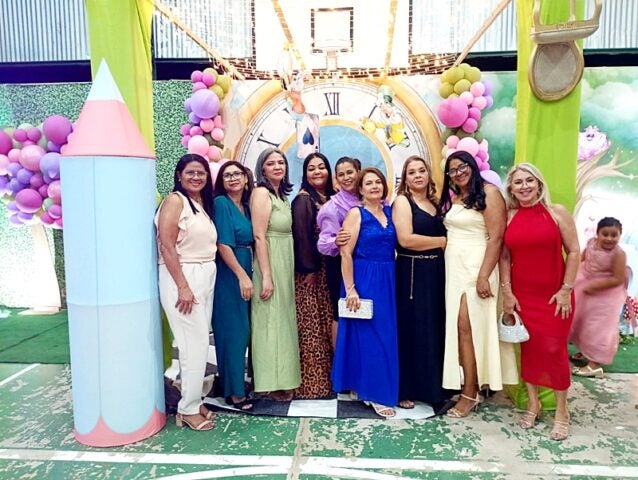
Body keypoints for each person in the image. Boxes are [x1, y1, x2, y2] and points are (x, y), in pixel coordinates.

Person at [499, 163, 580, 441]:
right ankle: (533, 403)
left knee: (554, 350)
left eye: (529, 180)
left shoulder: (557, 213)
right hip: (523, 297)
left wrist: (566, 290)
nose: (524, 186)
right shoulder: (509, 217)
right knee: (529, 350)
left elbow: (574, 251)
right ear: (511, 189)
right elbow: (505, 257)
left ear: (539, 184)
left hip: (556, 297)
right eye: (518, 182)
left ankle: (562, 411)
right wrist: (507, 292)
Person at [437, 151, 515, 419]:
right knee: (460, 330)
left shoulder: (490, 193)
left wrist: (484, 275)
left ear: (473, 166)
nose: (459, 173)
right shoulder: (456, 197)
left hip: (477, 267)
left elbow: (496, 238)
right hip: (454, 269)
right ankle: (468, 384)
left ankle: (470, 393)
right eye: (453, 170)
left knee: (467, 327)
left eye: (463, 167)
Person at [155, 153, 217, 431]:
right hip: (183, 276)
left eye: (201, 172)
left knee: (200, 344)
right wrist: (182, 286)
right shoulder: (175, 201)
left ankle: (194, 399)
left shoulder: (200, 205)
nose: (196, 177)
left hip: (204, 275)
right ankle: (188, 409)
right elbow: (166, 245)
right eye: (190, 172)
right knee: (193, 345)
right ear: (179, 175)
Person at [331, 167, 399, 418]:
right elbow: (345, 253)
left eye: (378, 182)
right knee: (370, 335)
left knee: (385, 334)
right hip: (363, 277)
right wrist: (350, 289)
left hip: (388, 278)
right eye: (368, 183)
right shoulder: (356, 214)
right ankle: (373, 393)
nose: (374, 186)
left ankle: (364, 384)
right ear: (360, 189)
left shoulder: (390, 212)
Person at [392, 156, 449, 410]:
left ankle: (433, 388)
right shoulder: (403, 202)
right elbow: (405, 239)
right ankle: (407, 388)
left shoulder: (436, 202)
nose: (417, 175)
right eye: (412, 172)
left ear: (428, 174)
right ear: (405, 178)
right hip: (412, 273)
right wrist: (442, 242)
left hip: (436, 271)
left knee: (433, 328)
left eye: (422, 170)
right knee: (412, 329)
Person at [250, 147, 301, 401]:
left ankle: (284, 378)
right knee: (270, 321)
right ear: (262, 168)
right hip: (270, 260)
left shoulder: (280, 195)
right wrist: (267, 275)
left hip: (285, 258)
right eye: (271, 163)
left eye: (281, 162)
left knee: (283, 320)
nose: (278, 167)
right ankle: (270, 382)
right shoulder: (261, 193)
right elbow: (259, 236)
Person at [292, 152, 336, 398]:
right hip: (311, 273)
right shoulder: (303, 200)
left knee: (327, 324)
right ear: (305, 174)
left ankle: (333, 378)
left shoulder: (332, 198)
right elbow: (302, 237)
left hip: (329, 271)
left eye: (321, 167)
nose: (317, 172)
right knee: (311, 327)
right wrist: (309, 270)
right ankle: (313, 384)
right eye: (311, 168)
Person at [212, 161, 254, 411]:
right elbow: (223, 244)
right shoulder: (221, 204)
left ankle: (233, 383)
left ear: (246, 178)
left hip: (246, 267)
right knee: (234, 332)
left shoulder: (246, 207)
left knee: (243, 331)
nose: (233, 178)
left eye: (237, 173)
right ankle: (235, 393)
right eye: (227, 175)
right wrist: (241, 276)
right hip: (230, 274)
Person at [570, 217, 627, 378]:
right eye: (605, 234)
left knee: (598, 328)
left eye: (614, 235)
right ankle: (586, 351)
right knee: (581, 321)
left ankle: (594, 364)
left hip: (606, 296)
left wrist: (594, 286)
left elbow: (618, 279)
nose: (609, 239)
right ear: (597, 233)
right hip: (586, 287)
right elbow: (583, 259)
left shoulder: (619, 254)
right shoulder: (591, 243)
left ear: (620, 235)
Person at [316, 157, 362, 347]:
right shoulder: (332, 207)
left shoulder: (371, 197)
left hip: (367, 264)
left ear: (359, 172)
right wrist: (335, 240)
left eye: (350, 172)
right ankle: (339, 361)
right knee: (341, 311)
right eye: (341, 175)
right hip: (340, 264)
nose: (346, 177)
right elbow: (322, 243)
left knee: (364, 311)